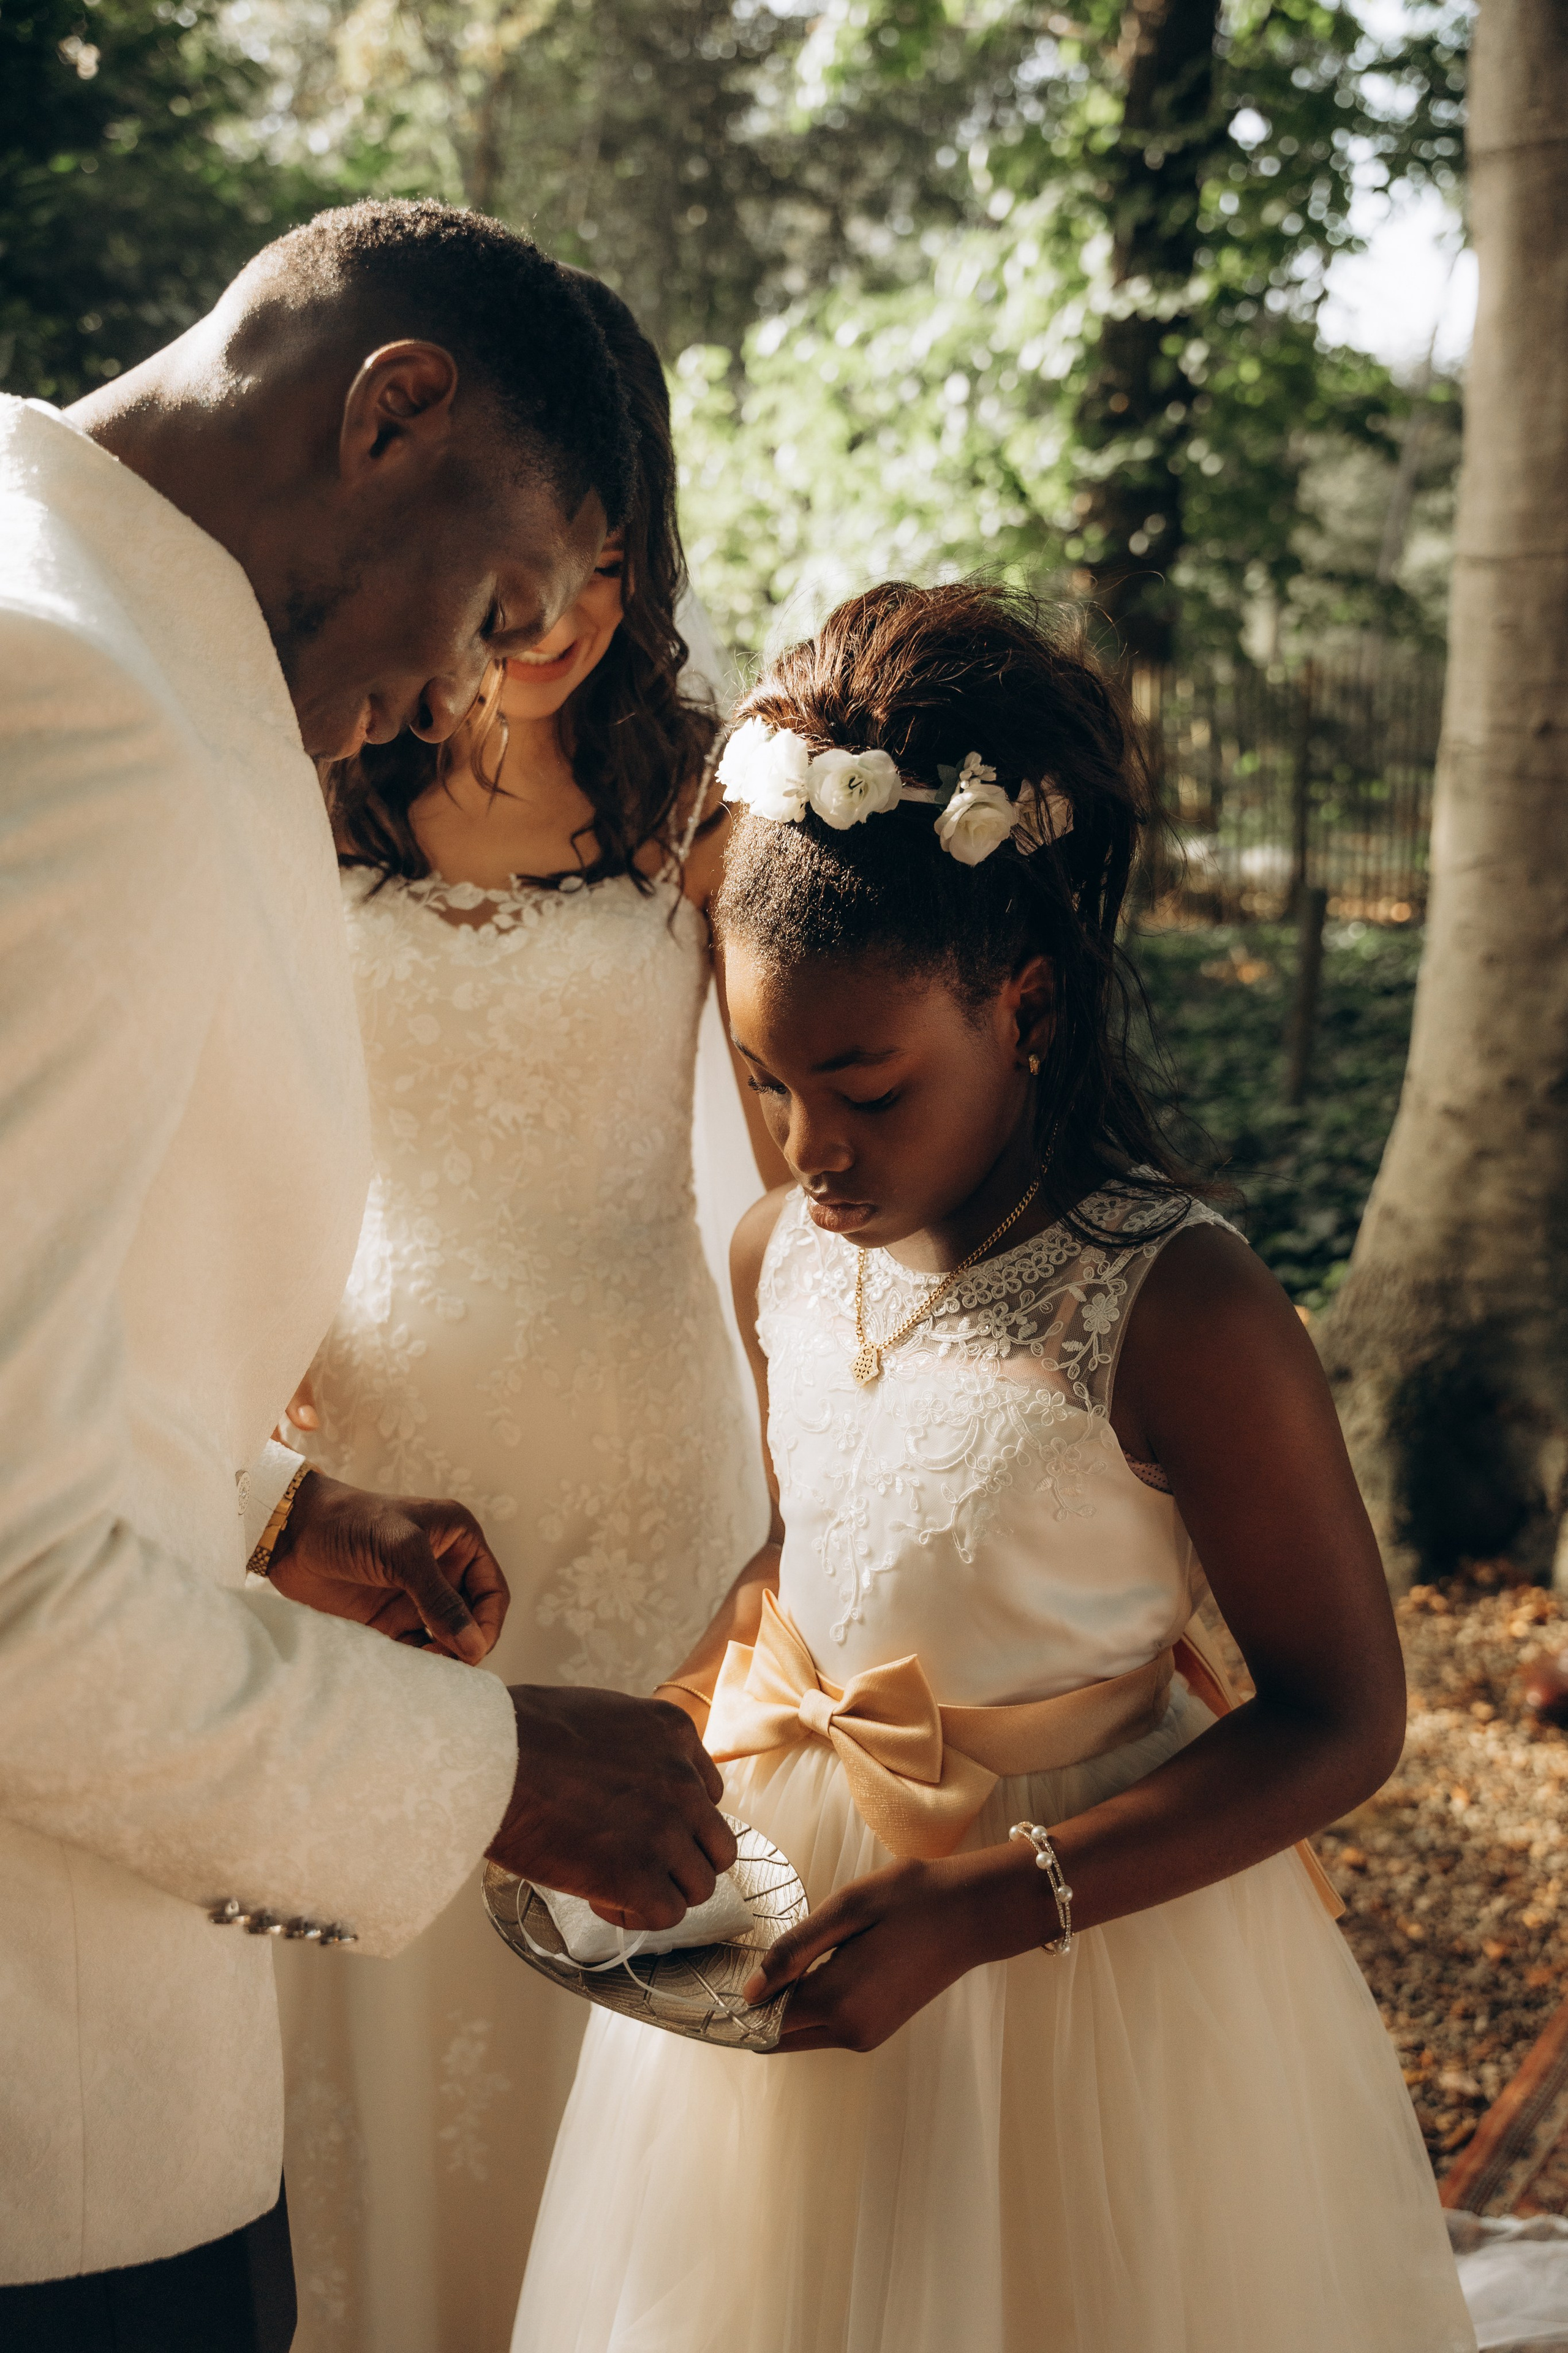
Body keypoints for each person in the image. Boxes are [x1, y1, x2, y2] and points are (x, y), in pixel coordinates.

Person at [513, 580, 1477, 2353]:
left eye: (870, 1087)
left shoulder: (1176, 1300)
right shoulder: (780, 1262)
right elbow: (814, 1560)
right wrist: (679, 1724)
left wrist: (996, 1898)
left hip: (1082, 1968)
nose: (810, 1150)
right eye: (767, 1079)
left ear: (1022, 1003)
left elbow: (1343, 1713)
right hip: (803, 1953)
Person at [0, 198, 737, 2351]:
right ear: (391, 408)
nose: (476, 686)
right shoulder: (85, 719)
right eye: (498, 600)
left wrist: (276, 1514)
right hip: (52, 2123)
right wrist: (496, 1768)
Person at [272, 273, 778, 2353]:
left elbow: (788, 1167)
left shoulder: (697, 808)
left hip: (649, 1467)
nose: (561, 606)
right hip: (385, 1464)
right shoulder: (323, 771)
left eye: (609, 563)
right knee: (389, 1979)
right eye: (537, 559)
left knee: (623, 1978)